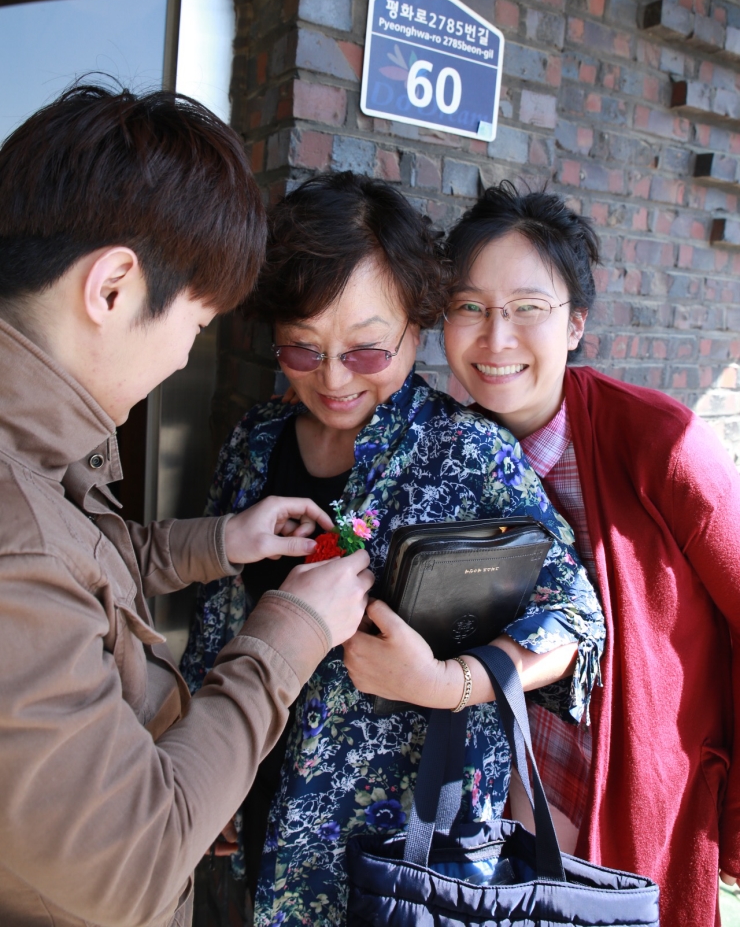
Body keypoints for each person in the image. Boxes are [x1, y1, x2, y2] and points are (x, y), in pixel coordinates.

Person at [181, 171, 605, 927]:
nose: (333, 378)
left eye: (367, 351)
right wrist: (201, 767)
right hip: (263, 805)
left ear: (418, 324)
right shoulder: (256, 440)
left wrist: (448, 682)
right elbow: (218, 619)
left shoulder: (468, 451)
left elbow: (575, 618)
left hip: (407, 859)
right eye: (302, 349)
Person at [0, 85, 374, 927]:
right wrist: (291, 631)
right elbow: (129, 864)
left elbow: (80, 572)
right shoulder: (16, 544)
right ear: (112, 288)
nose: (182, 358)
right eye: (198, 325)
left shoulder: (32, 464)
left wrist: (221, 541)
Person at [435, 181, 739, 927]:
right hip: (494, 816)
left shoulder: (660, 443)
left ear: (574, 323)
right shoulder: (439, 455)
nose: (496, 339)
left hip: (635, 811)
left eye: (527, 308)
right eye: (469, 306)